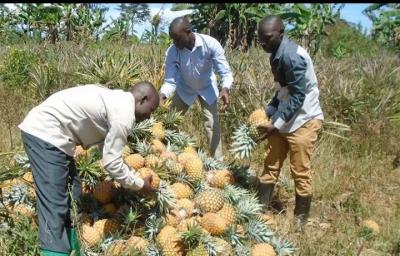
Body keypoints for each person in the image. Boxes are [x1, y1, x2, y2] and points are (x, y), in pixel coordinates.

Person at [18, 82, 159, 256]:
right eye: (151, 110)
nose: (149, 117)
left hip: (59, 138)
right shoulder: (124, 113)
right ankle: (54, 252)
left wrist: (132, 175)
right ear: (142, 99)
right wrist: (139, 184)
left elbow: (107, 152)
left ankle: (73, 249)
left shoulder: (117, 100)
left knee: (74, 193)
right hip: (45, 133)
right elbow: (111, 164)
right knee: (55, 201)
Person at [256, 15, 324, 230]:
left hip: (303, 119)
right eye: (260, 38)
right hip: (284, 118)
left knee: (300, 170)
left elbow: (297, 96)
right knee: (270, 163)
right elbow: (282, 90)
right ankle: (260, 210)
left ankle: (299, 221)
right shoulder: (275, 53)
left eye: (267, 38)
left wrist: (275, 123)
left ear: (281, 33)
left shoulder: (292, 57)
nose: (262, 43)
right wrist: (269, 110)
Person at [159, 16, 234, 160]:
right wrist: (162, 95)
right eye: (173, 39)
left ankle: (218, 163)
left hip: (207, 88)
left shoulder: (210, 44)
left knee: (211, 125)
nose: (175, 43)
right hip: (184, 88)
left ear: (188, 32)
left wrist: (225, 88)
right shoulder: (173, 51)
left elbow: (225, 72)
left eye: (178, 39)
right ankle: (173, 154)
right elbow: (171, 80)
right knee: (171, 122)